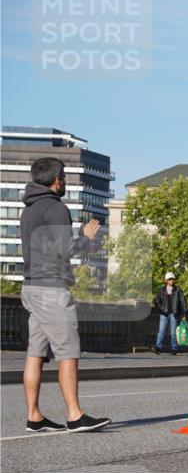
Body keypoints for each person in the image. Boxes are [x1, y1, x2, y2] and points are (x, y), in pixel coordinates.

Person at [20, 157, 111, 432]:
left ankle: (34, 416)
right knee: (68, 351)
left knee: (35, 353)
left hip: (31, 286)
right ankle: (75, 416)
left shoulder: (29, 209)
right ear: (56, 179)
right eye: (65, 178)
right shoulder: (56, 208)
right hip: (51, 290)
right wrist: (87, 238)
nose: (66, 183)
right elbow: (66, 249)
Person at [153, 271, 188, 355]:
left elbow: (183, 302)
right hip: (163, 314)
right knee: (161, 331)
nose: (171, 281)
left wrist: (184, 314)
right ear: (166, 280)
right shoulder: (162, 290)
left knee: (173, 332)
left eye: (172, 279)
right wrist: (162, 309)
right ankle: (158, 347)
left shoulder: (178, 290)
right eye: (170, 279)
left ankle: (174, 348)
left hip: (174, 314)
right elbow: (156, 301)